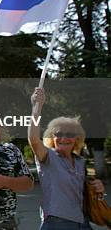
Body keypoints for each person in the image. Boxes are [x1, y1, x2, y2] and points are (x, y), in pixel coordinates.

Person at [28, 87, 105, 229]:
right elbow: (33, 139)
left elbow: (84, 194)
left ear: (77, 139)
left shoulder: (80, 161)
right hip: (57, 223)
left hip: (83, 222)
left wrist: (98, 189)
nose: (64, 138)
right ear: (52, 137)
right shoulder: (48, 157)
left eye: (70, 134)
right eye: (58, 133)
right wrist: (36, 108)